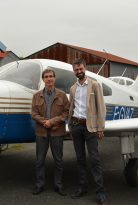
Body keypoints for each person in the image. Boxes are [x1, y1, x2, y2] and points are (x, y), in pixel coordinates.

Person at [68, 59, 108, 205]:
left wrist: (100, 127)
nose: (79, 71)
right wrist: (70, 127)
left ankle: (101, 192)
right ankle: (82, 187)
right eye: (76, 70)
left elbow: (101, 107)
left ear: (85, 68)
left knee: (95, 160)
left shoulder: (95, 85)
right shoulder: (73, 88)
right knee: (80, 160)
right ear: (74, 71)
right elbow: (72, 107)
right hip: (76, 126)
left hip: (90, 127)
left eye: (80, 69)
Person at [31, 68, 70, 196]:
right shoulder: (36, 96)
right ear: (43, 79)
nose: (49, 79)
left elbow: (66, 113)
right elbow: (34, 113)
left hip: (57, 132)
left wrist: (52, 121)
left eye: (51, 76)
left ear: (54, 78)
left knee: (58, 160)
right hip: (41, 132)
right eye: (46, 77)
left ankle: (58, 185)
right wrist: (44, 122)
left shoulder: (62, 95)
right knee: (39, 160)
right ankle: (39, 185)